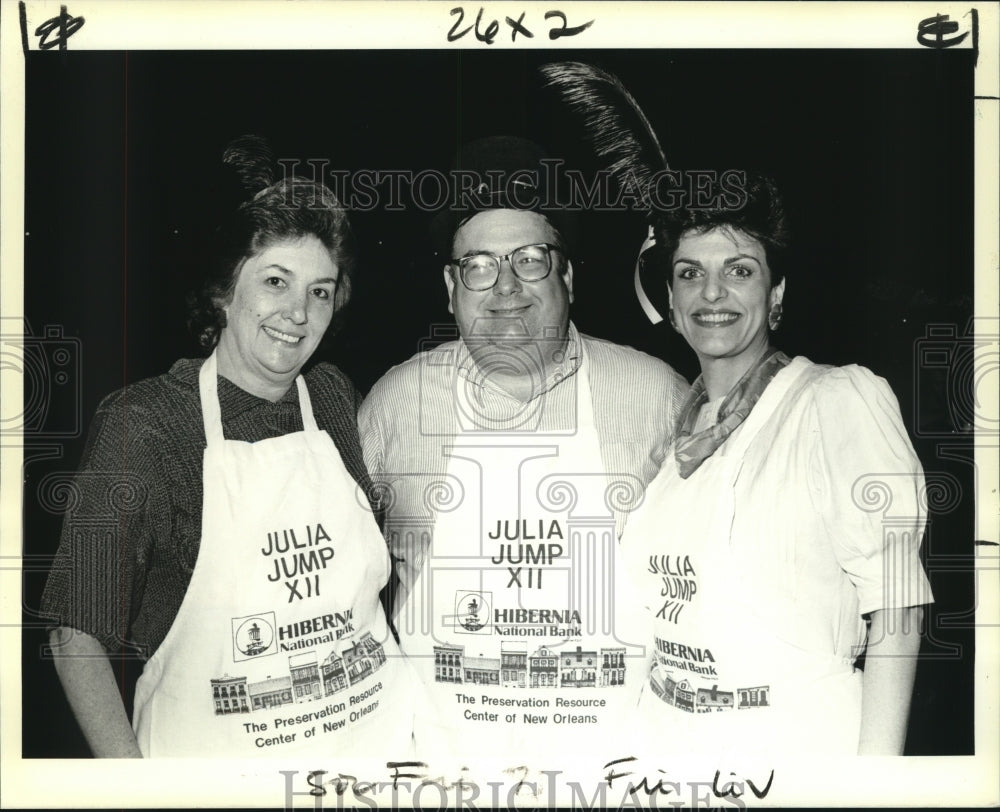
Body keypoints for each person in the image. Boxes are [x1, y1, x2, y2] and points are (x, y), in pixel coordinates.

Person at [41, 138, 413, 758]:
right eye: (275, 281)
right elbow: (73, 636)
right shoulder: (149, 425)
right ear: (223, 292)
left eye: (320, 291)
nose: (297, 313)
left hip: (382, 756)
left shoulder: (332, 395)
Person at [358, 136, 689, 777]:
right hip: (446, 770)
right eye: (478, 265)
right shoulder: (395, 402)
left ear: (567, 275)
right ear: (450, 286)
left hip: (612, 771)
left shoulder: (657, 395)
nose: (505, 286)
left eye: (530, 260)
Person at [621, 172, 933, 757]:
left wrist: (877, 785)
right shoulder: (675, 436)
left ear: (777, 293)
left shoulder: (833, 400)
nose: (711, 294)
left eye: (739, 270)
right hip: (664, 755)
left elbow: (897, 602)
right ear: (670, 300)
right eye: (690, 274)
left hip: (793, 754)